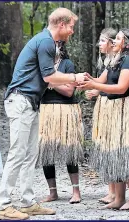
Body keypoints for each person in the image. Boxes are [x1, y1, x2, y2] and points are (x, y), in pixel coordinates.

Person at [0, 7, 86, 220]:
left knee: (31, 155)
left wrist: (72, 79)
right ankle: (2, 204)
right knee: (18, 153)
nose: (72, 31)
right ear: (61, 24)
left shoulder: (49, 43)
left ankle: (27, 202)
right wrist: (74, 77)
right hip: (20, 101)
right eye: (71, 27)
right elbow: (49, 77)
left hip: (31, 103)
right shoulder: (45, 41)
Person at [78, 29, 129, 211]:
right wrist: (86, 79)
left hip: (125, 110)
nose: (114, 41)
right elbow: (101, 80)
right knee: (113, 152)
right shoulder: (117, 59)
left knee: (123, 152)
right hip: (113, 110)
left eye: (118, 38)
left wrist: (94, 85)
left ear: (127, 43)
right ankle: (120, 197)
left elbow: (122, 88)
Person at [38, 40, 83, 204]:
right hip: (46, 111)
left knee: (70, 150)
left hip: (66, 110)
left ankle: (76, 191)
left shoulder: (67, 64)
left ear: (60, 48)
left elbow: (69, 91)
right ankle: (52, 193)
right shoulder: (43, 66)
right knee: (46, 151)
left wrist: (50, 82)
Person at [85, 28, 118, 205]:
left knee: (110, 145)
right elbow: (101, 81)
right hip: (104, 105)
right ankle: (111, 191)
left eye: (102, 41)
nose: (99, 44)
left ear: (112, 43)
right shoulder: (108, 61)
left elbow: (111, 85)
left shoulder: (118, 60)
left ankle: (115, 193)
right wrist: (88, 82)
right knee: (104, 145)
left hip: (113, 107)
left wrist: (94, 86)